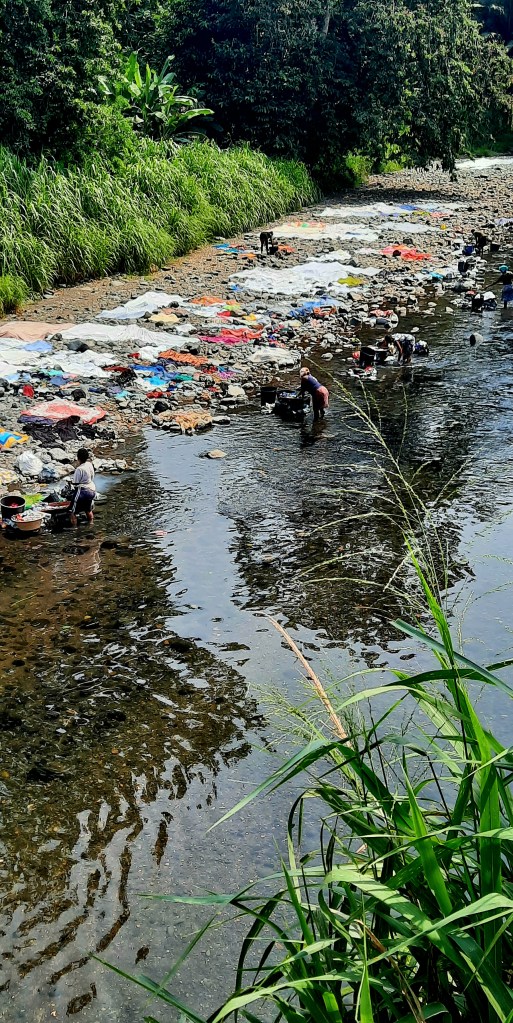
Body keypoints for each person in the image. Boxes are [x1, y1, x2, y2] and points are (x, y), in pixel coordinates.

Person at [70, 448, 96, 527]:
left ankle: (74, 529)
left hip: (82, 492)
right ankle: (91, 524)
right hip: (92, 490)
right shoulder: (89, 464)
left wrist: (70, 482)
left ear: (78, 458)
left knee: (72, 511)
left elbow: (75, 482)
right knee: (88, 509)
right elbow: (92, 476)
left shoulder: (79, 469)